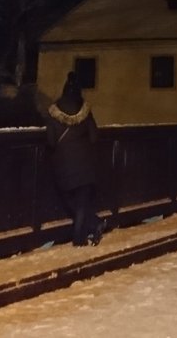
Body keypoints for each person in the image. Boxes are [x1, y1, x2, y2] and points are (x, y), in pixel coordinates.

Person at [46, 72, 104, 247]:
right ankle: (84, 234)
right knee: (82, 203)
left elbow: (50, 141)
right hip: (85, 165)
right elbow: (94, 137)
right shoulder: (85, 110)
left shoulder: (54, 111)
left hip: (62, 167)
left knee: (71, 201)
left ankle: (89, 229)